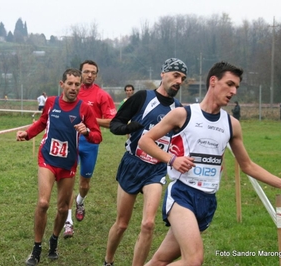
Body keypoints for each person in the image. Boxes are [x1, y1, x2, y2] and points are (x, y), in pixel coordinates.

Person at [138, 61, 281, 266]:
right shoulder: (183, 114)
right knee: (194, 260)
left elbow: (248, 165)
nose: (233, 91)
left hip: (207, 201)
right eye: (229, 84)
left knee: (160, 260)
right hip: (182, 195)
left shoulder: (232, 124)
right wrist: (172, 159)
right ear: (213, 81)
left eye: (237, 87)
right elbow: (145, 140)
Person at [104, 58, 188, 266]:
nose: (179, 81)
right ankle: (108, 260)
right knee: (122, 224)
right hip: (132, 164)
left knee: (148, 224)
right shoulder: (143, 97)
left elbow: (181, 140)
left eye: (183, 78)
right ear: (163, 74)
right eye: (176, 75)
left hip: (156, 169)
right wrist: (131, 128)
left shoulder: (178, 109)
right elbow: (115, 124)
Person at [17, 68, 102, 266]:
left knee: (63, 208)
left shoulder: (84, 109)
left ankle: (53, 240)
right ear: (61, 84)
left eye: (77, 84)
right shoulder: (51, 103)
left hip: (68, 164)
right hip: (47, 159)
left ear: (80, 86)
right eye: (70, 84)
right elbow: (42, 122)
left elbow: (98, 137)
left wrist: (87, 131)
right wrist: (27, 134)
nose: (73, 88)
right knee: (43, 203)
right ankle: (36, 248)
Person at [63, 59, 117, 238]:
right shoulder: (72, 91)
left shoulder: (102, 96)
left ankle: (80, 201)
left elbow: (112, 122)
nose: (89, 75)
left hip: (90, 143)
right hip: (70, 142)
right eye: (86, 72)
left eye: (93, 72)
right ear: (80, 73)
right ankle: (68, 222)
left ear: (96, 75)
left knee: (84, 184)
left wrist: (89, 120)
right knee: (68, 182)